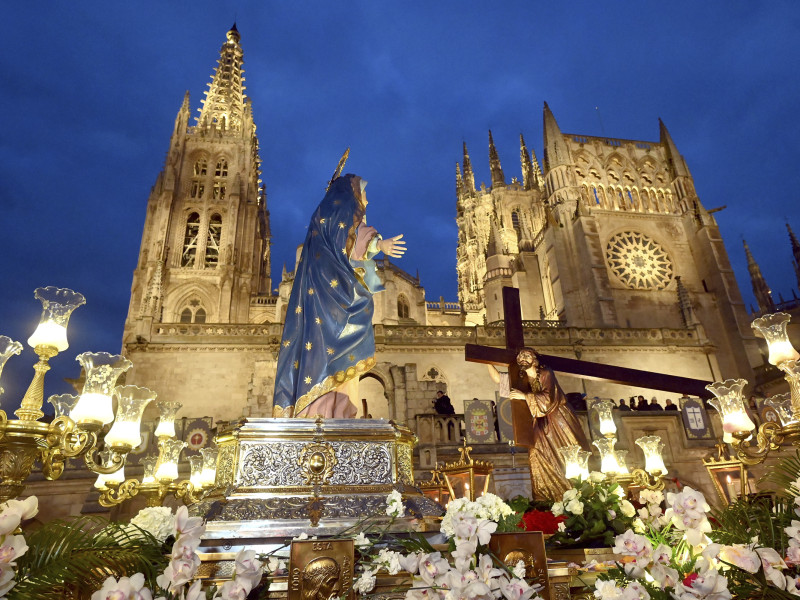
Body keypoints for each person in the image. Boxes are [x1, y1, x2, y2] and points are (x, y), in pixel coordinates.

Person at [272, 174, 406, 418]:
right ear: (349, 196)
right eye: (364, 194)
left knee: (320, 359)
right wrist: (378, 245)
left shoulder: (320, 225)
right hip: (336, 308)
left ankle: (322, 412)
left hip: (320, 307)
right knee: (335, 358)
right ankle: (330, 413)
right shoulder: (339, 221)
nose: (367, 201)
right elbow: (350, 237)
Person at [487, 348, 590, 500]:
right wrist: (487, 360)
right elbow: (498, 379)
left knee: (567, 451)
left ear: (534, 360)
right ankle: (546, 496)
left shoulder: (545, 373)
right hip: (540, 421)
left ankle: (575, 493)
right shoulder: (521, 378)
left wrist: (525, 396)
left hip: (558, 418)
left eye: (527, 355)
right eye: (520, 355)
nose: (523, 357)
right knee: (537, 452)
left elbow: (549, 398)